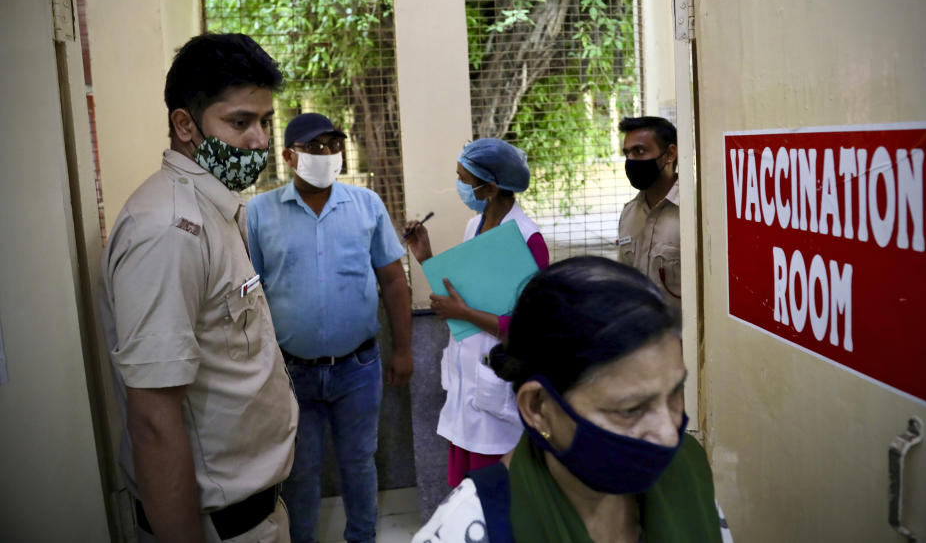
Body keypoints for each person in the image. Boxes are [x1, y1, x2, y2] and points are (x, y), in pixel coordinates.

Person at [99, 33, 298, 543]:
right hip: (218, 528)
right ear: (185, 124)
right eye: (240, 122)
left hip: (256, 514)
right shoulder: (168, 229)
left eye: (264, 122)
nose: (259, 140)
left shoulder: (214, 209)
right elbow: (153, 419)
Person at [413, 256, 733, 543]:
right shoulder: (469, 527)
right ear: (538, 407)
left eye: (675, 392)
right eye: (630, 409)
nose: (667, 435)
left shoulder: (686, 474)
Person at [247, 112, 413, 543]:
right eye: (315, 147)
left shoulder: (366, 205)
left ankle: (362, 536)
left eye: (333, 145)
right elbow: (252, 293)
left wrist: (403, 350)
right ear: (288, 156)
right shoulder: (260, 213)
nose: (327, 155)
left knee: (360, 461)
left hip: (357, 367)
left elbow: (394, 279)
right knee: (301, 471)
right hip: (291, 371)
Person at [404, 138, 549, 489]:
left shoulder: (528, 240)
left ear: (492, 187)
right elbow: (463, 296)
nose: (460, 186)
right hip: (465, 390)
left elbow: (530, 330)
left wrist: (465, 314)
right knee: (465, 498)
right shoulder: (475, 226)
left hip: (496, 396)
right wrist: (425, 257)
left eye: (464, 179)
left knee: (495, 501)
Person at [617, 116, 681, 311]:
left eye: (640, 151)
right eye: (627, 153)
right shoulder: (629, 213)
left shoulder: (695, 214)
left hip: (682, 338)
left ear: (670, 154)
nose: (630, 160)